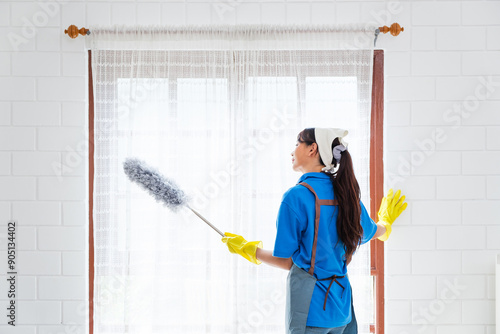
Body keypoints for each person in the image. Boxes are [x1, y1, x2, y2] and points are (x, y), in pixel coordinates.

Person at [222, 128, 407, 334]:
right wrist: (386, 223)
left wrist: (248, 250)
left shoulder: (295, 197)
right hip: (341, 310)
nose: (292, 151)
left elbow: (287, 261)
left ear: (313, 148)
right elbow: (374, 232)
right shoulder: (348, 195)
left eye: (297, 143)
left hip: (310, 310)